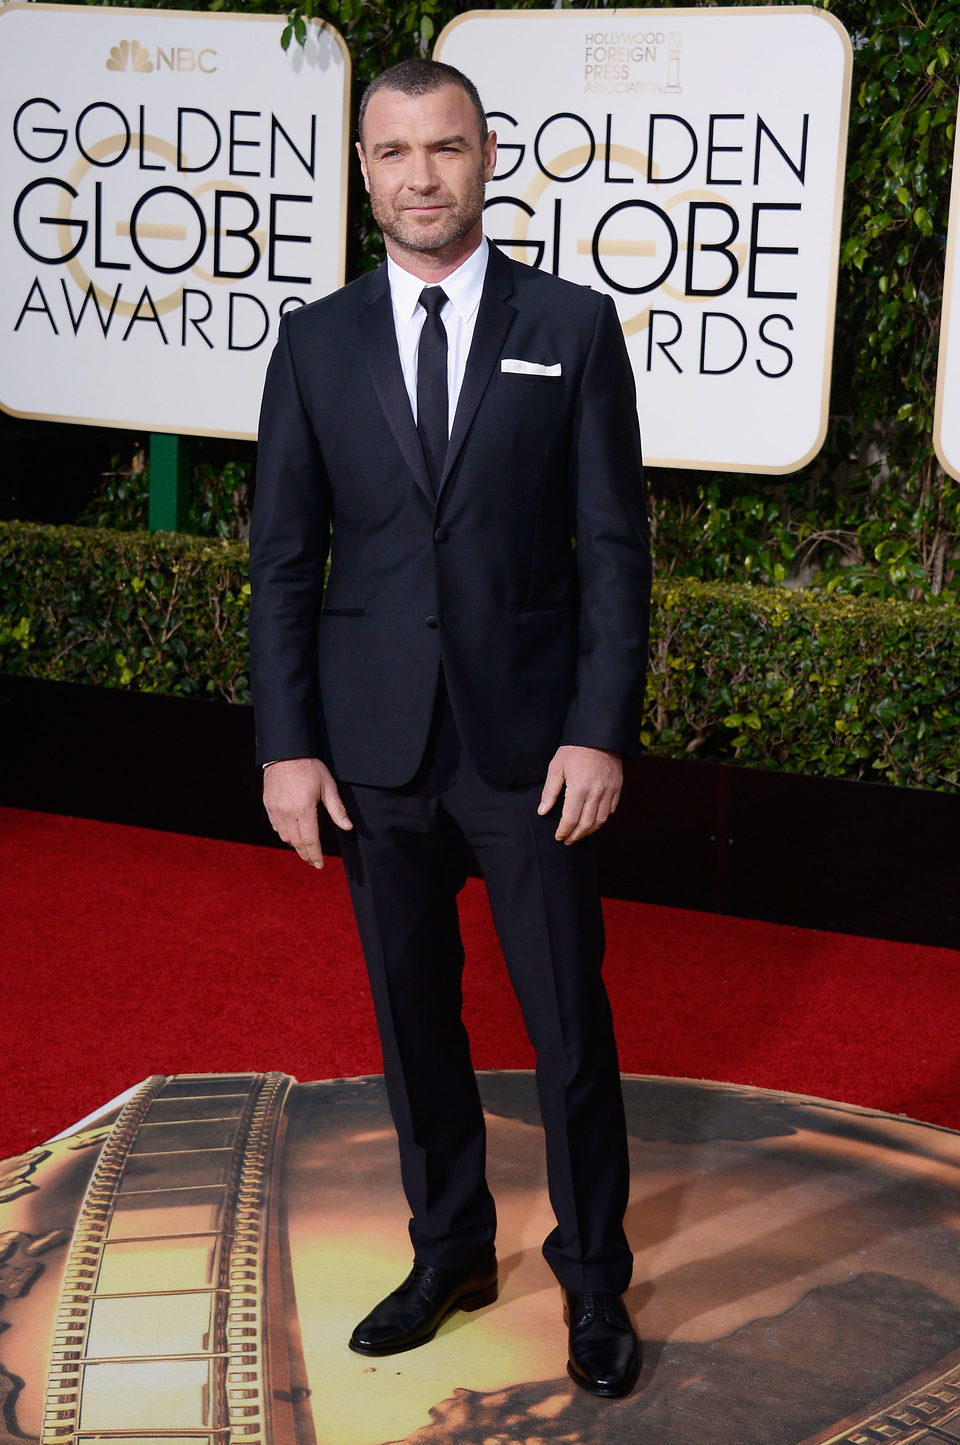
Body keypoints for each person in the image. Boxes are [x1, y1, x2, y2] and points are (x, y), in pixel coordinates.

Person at [248, 57, 650, 1398]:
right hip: (372, 752)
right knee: (411, 1019)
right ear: (364, 172)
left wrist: (599, 729)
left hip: (533, 749)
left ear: (487, 157)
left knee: (568, 1029)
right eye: (394, 152)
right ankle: (451, 1250)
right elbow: (285, 560)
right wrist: (286, 745)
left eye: (446, 148)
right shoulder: (315, 342)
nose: (422, 175)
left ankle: (594, 1282)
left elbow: (612, 551)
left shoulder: (575, 326)